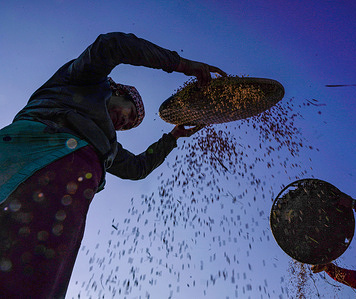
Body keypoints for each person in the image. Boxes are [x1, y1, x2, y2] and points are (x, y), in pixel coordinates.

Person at [0, 32, 226, 298]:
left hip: (66, 203)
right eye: (130, 115)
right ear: (119, 92)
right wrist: (183, 65)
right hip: (29, 154)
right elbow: (113, 45)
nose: (125, 125)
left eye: (130, 127)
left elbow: (138, 168)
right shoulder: (85, 81)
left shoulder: (104, 146)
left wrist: (173, 136)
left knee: (34, 278)